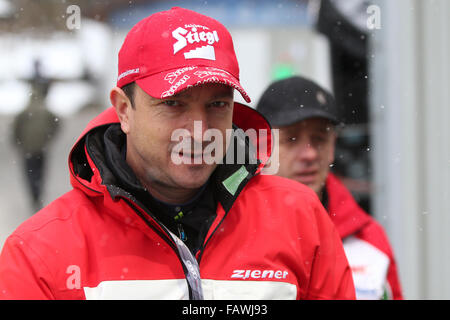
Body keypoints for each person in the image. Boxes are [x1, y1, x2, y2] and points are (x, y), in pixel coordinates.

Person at [0, 8, 355, 300]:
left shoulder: (299, 218)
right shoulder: (41, 252)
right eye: (173, 104)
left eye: (217, 104)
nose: (199, 130)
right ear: (124, 110)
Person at [256, 76, 403, 300]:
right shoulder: (226, 230)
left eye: (319, 139)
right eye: (292, 139)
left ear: (333, 146)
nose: (310, 154)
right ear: (260, 146)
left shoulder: (370, 241)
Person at [12, 60, 60, 212]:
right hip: (41, 147)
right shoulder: (45, 111)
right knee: (40, 172)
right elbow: (56, 124)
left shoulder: (24, 112)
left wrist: (18, 142)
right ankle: (37, 194)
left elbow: (15, 129)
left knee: (30, 173)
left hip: (28, 148)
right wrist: (49, 138)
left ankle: (34, 195)